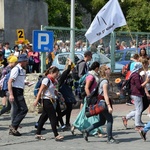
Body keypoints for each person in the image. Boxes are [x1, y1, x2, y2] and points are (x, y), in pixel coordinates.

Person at [83, 65, 119, 144]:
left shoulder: (103, 80)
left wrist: (114, 94)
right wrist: (109, 106)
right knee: (110, 120)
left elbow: (105, 93)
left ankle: (87, 130)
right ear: (105, 71)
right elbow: (105, 95)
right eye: (108, 69)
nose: (109, 70)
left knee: (102, 121)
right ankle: (109, 138)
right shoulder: (105, 82)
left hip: (101, 102)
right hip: (104, 103)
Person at [71, 61, 106, 137]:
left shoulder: (94, 75)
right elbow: (86, 87)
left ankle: (75, 125)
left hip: (92, 97)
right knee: (93, 115)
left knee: (83, 114)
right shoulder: (90, 76)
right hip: (90, 98)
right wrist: (90, 97)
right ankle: (96, 131)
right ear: (96, 68)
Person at [33, 66, 64, 141]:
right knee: (53, 117)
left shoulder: (52, 80)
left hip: (51, 100)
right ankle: (56, 135)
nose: (57, 75)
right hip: (47, 100)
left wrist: (59, 96)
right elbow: (40, 90)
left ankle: (38, 133)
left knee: (44, 117)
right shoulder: (46, 80)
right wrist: (37, 100)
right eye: (56, 74)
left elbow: (53, 90)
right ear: (52, 73)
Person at [122, 62, 149, 131]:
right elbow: (139, 86)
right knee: (139, 110)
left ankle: (126, 117)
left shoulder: (134, 74)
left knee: (138, 109)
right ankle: (137, 125)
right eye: (140, 67)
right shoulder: (136, 76)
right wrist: (146, 81)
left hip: (136, 94)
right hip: (136, 94)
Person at [8, 54, 29, 136]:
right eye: (25, 61)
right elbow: (10, 82)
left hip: (19, 90)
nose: (27, 62)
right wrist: (11, 94)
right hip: (16, 91)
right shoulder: (16, 69)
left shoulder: (21, 70)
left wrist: (25, 83)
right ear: (22, 62)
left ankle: (13, 129)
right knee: (24, 109)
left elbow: (18, 81)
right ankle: (13, 126)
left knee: (17, 109)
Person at [58, 58, 76, 129]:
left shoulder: (70, 76)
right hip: (64, 93)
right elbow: (67, 71)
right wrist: (69, 63)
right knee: (68, 108)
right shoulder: (64, 74)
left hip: (69, 93)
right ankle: (58, 119)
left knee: (69, 108)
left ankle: (67, 122)